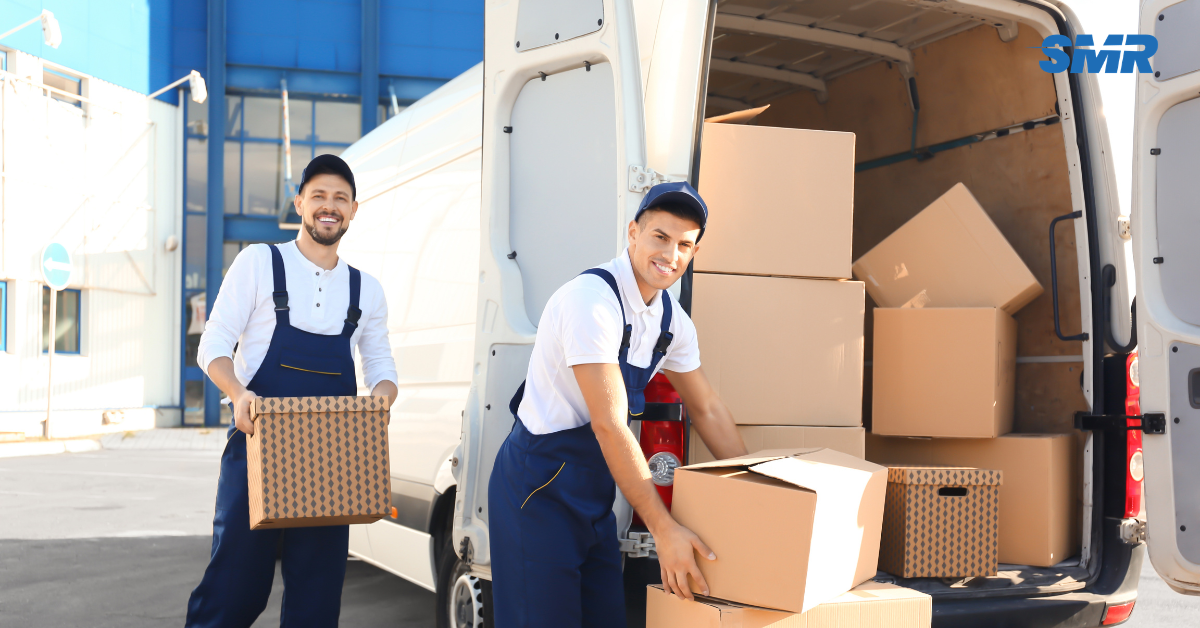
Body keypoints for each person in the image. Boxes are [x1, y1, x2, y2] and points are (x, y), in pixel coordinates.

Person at [488, 181, 749, 627]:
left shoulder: (671, 321)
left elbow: (706, 408)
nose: (670, 254)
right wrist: (665, 530)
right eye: (660, 237)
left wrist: (757, 488)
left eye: (684, 245)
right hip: (537, 491)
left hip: (593, 497)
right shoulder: (590, 302)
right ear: (633, 233)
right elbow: (609, 424)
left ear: (693, 254)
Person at [186, 154, 398, 627]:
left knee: (316, 603)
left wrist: (380, 402)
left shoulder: (367, 290)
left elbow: (382, 366)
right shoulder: (260, 262)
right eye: (319, 195)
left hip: (332, 461)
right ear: (299, 202)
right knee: (234, 591)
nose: (329, 206)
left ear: (354, 210)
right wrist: (238, 393)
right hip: (258, 449)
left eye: (340, 198)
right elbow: (213, 344)